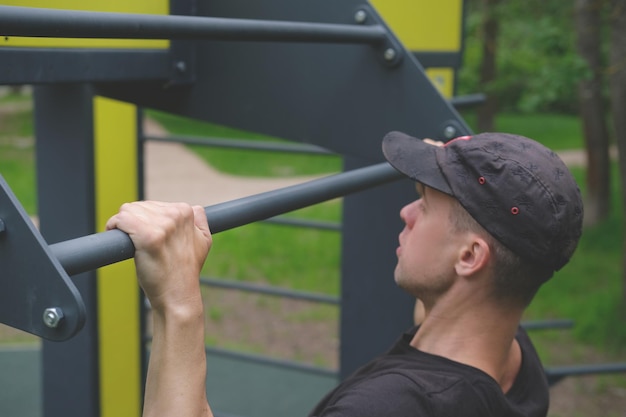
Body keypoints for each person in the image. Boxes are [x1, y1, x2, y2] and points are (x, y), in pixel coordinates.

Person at [106, 131, 584, 417]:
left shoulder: (388, 406)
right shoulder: (512, 356)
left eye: (423, 203)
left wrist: (177, 301)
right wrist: (450, 177)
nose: (405, 213)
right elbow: (453, 300)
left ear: (469, 258)